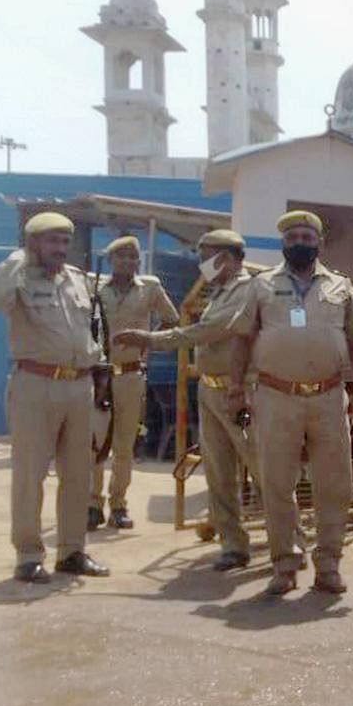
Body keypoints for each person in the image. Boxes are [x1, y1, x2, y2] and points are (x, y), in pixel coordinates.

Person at [229, 211, 353, 596]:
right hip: (276, 397)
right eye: (292, 236)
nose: (300, 241)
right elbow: (242, 339)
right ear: (283, 243)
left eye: (307, 235)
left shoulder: (341, 286)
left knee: (334, 485)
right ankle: (285, 565)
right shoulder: (260, 286)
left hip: (328, 397)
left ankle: (328, 566)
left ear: (319, 242)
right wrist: (235, 389)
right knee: (276, 483)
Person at [116, 229, 269, 571]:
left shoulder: (249, 289)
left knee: (263, 469)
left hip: (239, 391)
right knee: (218, 471)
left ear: (226, 258)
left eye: (206, 256)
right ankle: (233, 544)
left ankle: (287, 543)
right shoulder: (220, 291)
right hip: (211, 389)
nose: (201, 264)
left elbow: (208, 331)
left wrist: (150, 338)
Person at [0, 212, 109, 582]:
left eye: (64, 240)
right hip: (35, 385)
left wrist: (100, 373)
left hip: (79, 386)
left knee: (78, 473)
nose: (60, 248)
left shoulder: (77, 280)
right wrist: (17, 259)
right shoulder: (17, 276)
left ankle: (72, 551)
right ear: (33, 243)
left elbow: (92, 329)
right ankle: (28, 554)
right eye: (51, 241)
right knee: (30, 474)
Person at [88, 235, 178, 531]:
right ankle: (91, 504)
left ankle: (118, 504)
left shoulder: (149, 287)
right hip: (97, 375)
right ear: (111, 259)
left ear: (138, 261)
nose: (126, 262)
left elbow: (171, 318)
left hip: (130, 374)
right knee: (95, 443)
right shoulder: (94, 285)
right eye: (120, 256)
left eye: (132, 257)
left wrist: (148, 342)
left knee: (124, 444)